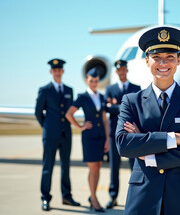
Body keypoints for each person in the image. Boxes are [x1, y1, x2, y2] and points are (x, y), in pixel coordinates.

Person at [115, 26, 180, 215]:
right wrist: (175, 138)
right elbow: (123, 145)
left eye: (170, 57)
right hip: (143, 196)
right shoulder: (131, 101)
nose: (163, 63)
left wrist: (149, 156)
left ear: (178, 60)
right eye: (157, 57)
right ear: (147, 60)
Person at [35, 58, 80, 211]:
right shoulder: (45, 90)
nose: (57, 72)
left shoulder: (69, 90)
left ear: (63, 71)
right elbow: (38, 112)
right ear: (51, 72)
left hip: (65, 134)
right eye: (55, 70)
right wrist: (47, 126)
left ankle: (67, 196)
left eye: (59, 70)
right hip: (51, 134)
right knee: (47, 167)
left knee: (65, 167)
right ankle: (45, 197)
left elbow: (69, 112)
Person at [65, 67, 110, 213]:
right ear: (86, 81)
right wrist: (80, 126)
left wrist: (108, 138)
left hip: (101, 137)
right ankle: (94, 198)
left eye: (96, 81)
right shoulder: (82, 96)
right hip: (89, 137)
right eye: (91, 80)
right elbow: (69, 114)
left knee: (98, 167)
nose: (94, 83)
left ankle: (93, 197)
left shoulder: (101, 97)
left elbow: (104, 119)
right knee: (93, 168)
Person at [104, 59, 141, 209]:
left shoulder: (135, 88)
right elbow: (106, 109)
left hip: (131, 133)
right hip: (114, 134)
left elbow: (137, 108)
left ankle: (137, 197)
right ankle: (113, 197)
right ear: (116, 72)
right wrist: (125, 106)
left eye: (124, 69)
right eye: (119, 70)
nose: (121, 72)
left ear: (127, 70)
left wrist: (115, 105)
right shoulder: (110, 89)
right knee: (114, 167)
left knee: (135, 167)